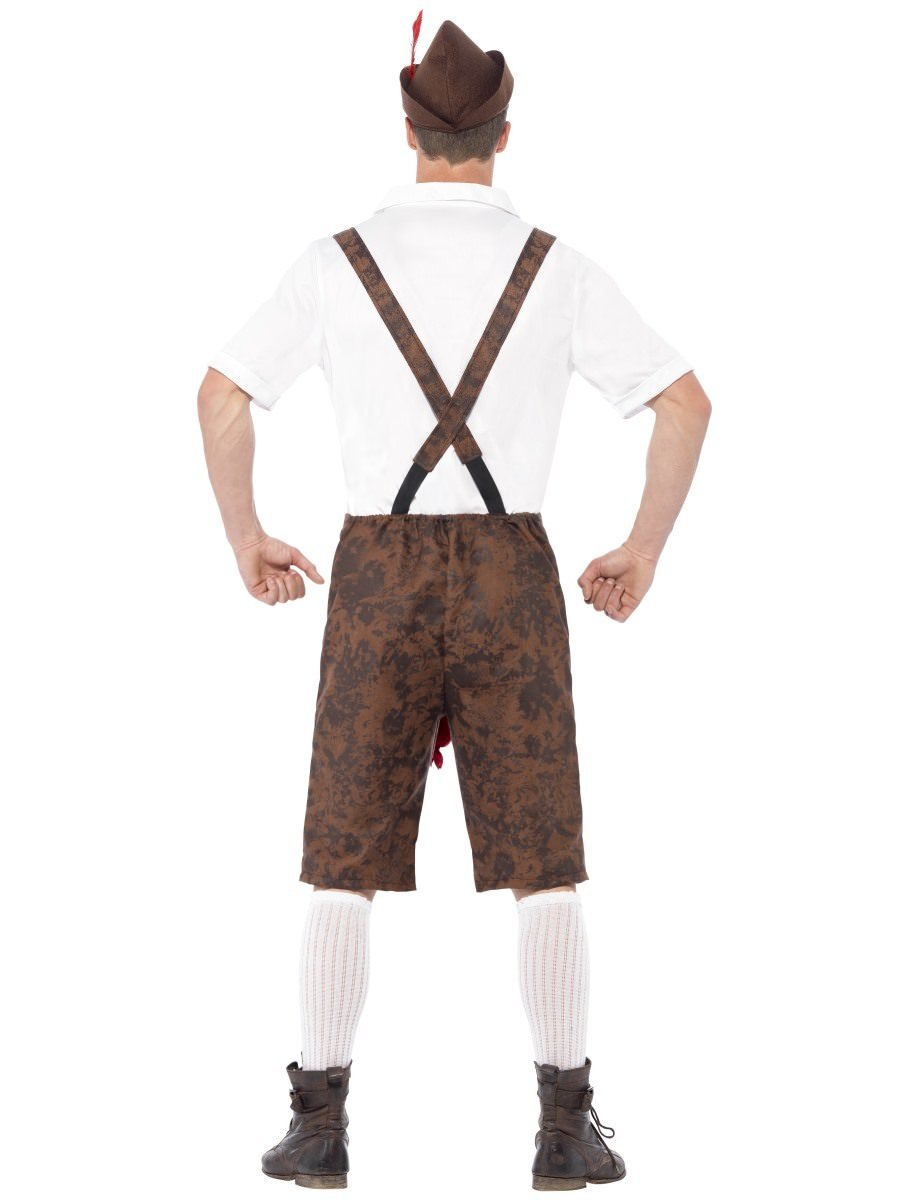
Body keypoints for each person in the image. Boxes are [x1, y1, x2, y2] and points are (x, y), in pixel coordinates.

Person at [197, 14, 711, 1191]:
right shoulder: (557, 265)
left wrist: (245, 539)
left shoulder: (334, 260)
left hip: (375, 572)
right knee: (544, 860)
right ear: (504, 134)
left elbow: (222, 396)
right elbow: (685, 403)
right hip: (509, 570)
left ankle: (318, 1129)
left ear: (408, 129)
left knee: (343, 855)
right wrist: (641, 549)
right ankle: (565, 1132)